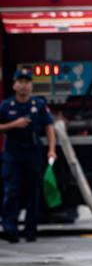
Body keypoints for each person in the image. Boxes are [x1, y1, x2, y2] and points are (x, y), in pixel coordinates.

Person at [0, 68, 56, 243]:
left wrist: (51, 149)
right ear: (14, 85)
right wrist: (13, 124)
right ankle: (9, 228)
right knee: (12, 190)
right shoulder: (6, 106)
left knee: (33, 191)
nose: (24, 86)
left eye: (27, 82)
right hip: (13, 152)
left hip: (33, 151)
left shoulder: (38, 105)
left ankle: (31, 230)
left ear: (31, 86)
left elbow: (49, 128)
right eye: (21, 82)